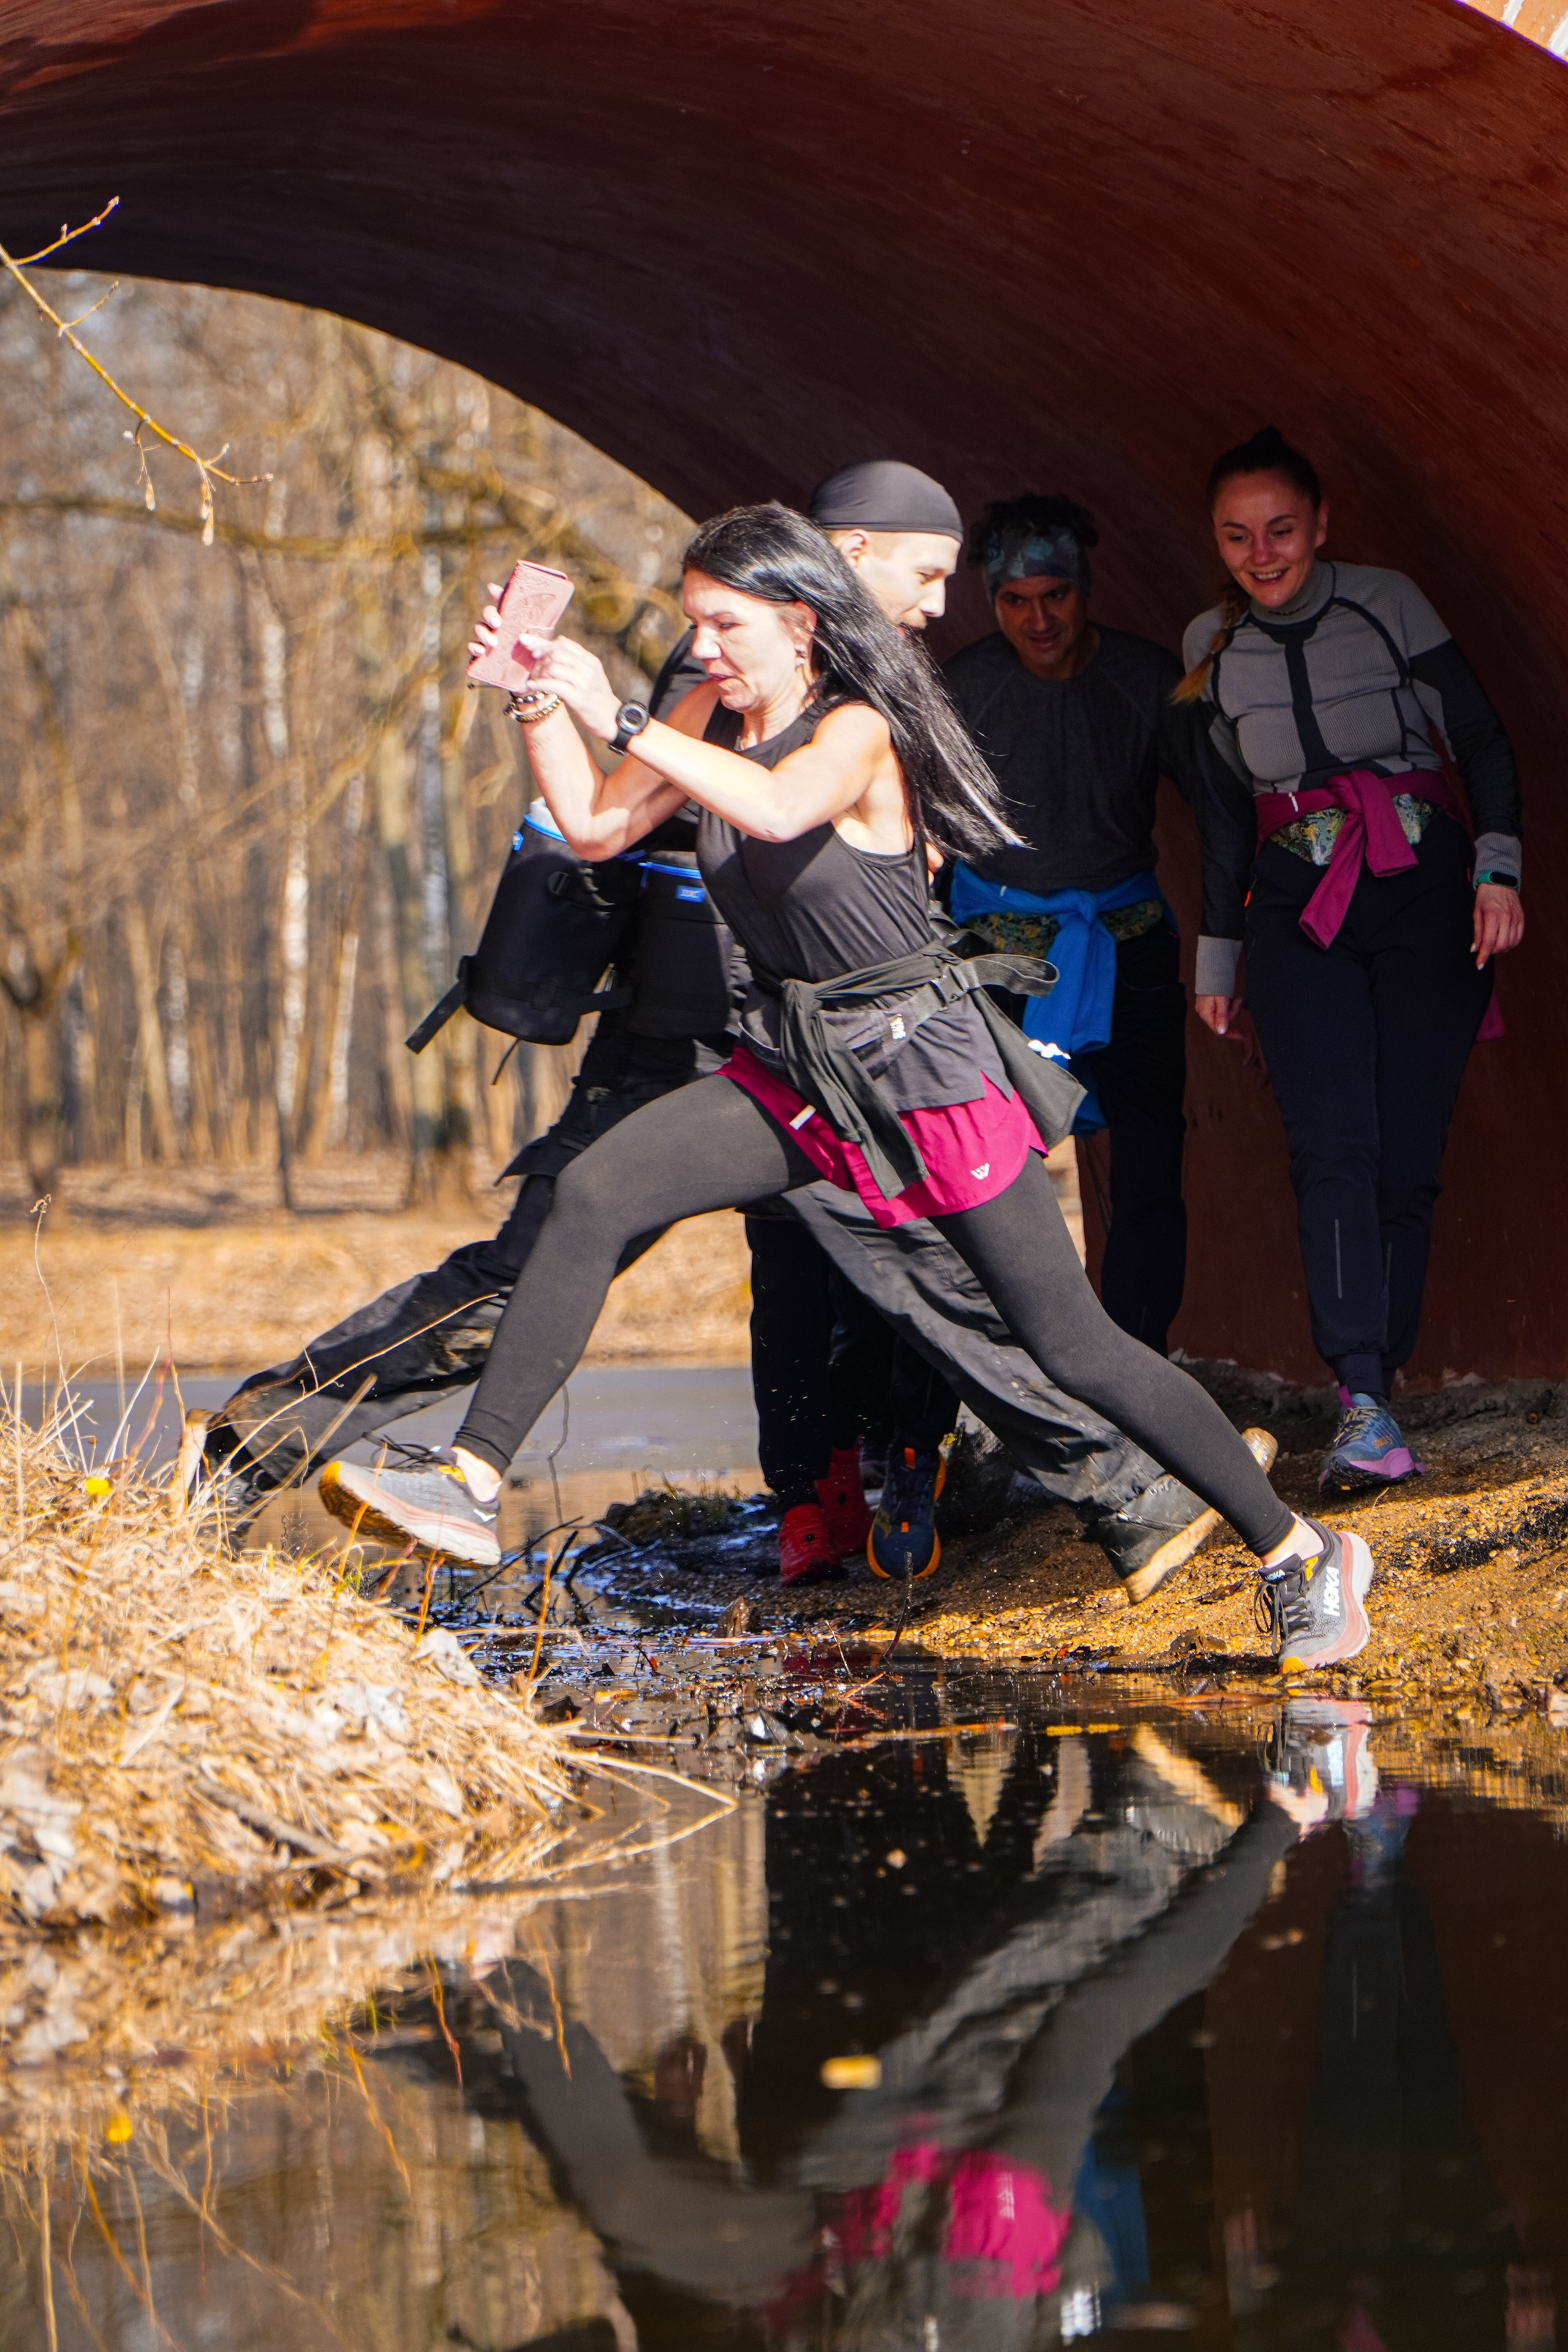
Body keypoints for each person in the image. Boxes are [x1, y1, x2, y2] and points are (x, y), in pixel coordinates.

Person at [320, 500, 1371, 1672]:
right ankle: (469, 1479)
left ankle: (1302, 1554)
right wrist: (534, 702)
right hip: (800, 1073)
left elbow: (776, 808)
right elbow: (597, 824)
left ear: (801, 621)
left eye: (725, 625)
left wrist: (614, 710)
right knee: (596, 1191)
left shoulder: (858, 729)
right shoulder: (709, 715)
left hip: (923, 1073)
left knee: (1076, 1346)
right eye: (694, 624)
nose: (703, 648)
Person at [1178, 425, 1525, 1491]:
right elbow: (1223, 819)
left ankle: (1385, 1376)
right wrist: (1218, 965)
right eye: (1238, 536)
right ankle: (1362, 1395)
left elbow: (1482, 737)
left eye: (1281, 529)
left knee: (1405, 1149)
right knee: (1331, 1142)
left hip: (1424, 888)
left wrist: (1498, 872)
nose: (1262, 554)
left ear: (1321, 525)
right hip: (1297, 904)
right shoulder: (1209, 643)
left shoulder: (1387, 602)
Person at [943, 494, 1207, 1360]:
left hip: (1126, 942)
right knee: (985, 1167)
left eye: (1055, 594)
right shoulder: (964, 689)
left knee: (1151, 1163)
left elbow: (1223, 812)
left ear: (1085, 589)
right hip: (995, 959)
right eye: (1015, 601)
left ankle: (1138, 1362)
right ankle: (1003, 1374)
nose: (1038, 618)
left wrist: (1235, 946)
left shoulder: (1146, 679)